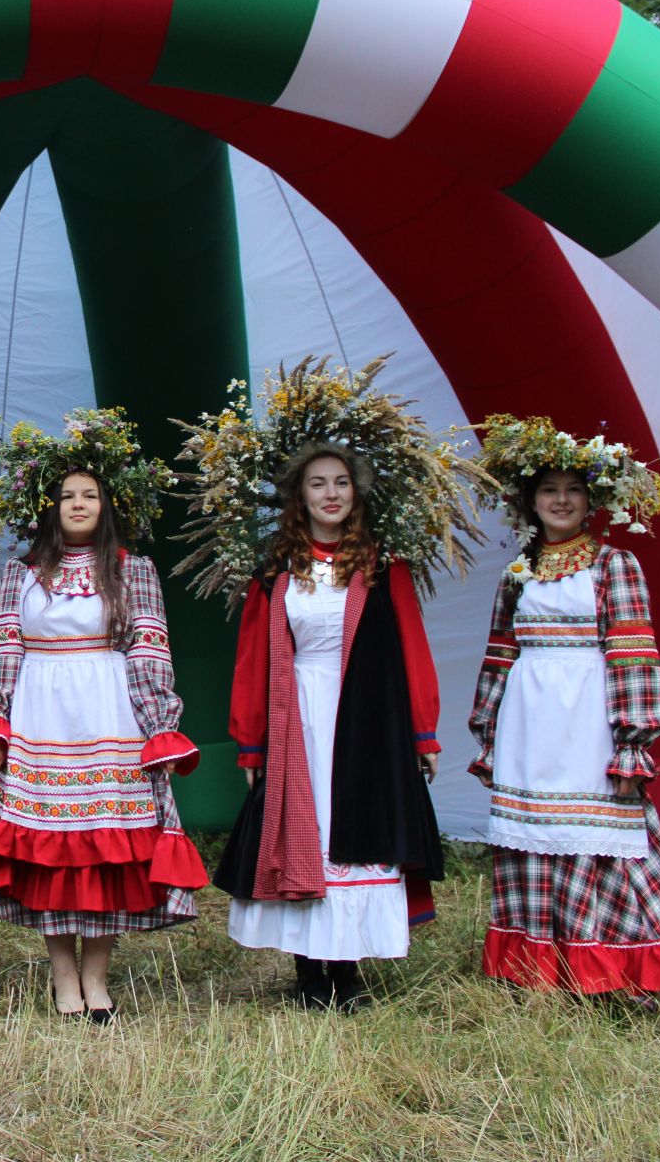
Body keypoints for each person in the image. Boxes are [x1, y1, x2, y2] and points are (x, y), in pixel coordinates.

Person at [173, 358, 486, 1010]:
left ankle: (349, 974)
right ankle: (309, 975)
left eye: (341, 482)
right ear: (300, 497)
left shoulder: (381, 569)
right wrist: (252, 745)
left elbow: (412, 651)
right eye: (318, 484)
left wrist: (423, 733)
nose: (331, 494)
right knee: (299, 836)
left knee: (356, 834)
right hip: (298, 722)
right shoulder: (277, 574)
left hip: (366, 721)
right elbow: (253, 661)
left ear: (356, 493)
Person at [0, 409, 208, 1022]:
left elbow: (150, 650)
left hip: (110, 715)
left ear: (106, 505)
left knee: (105, 851)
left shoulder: (133, 570)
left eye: (88, 495)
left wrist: (161, 727)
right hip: (42, 717)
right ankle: (62, 975)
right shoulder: (23, 574)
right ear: (49, 508)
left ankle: (97, 978)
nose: (77, 504)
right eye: (66, 495)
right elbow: (1, 651)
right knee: (53, 849)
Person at [465, 415, 660, 1020]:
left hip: (587, 718)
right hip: (528, 720)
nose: (562, 501)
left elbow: (633, 652)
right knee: (534, 844)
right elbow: (500, 655)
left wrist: (633, 740)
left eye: (573, 491)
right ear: (531, 502)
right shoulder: (516, 573)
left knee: (612, 841)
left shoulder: (613, 566)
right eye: (550, 491)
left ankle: (647, 974)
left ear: (590, 501)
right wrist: (489, 732)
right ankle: (541, 971)